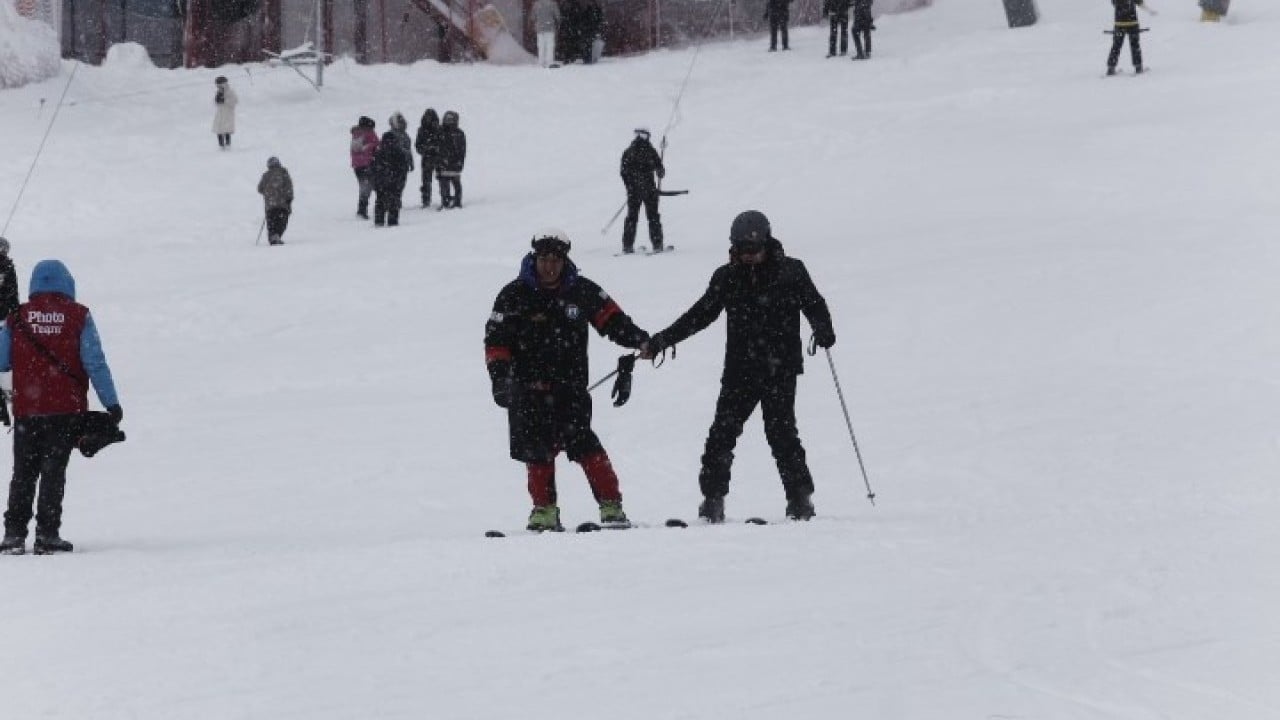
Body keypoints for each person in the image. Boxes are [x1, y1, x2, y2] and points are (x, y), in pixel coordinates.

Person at [641, 211, 835, 523]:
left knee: (781, 433)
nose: (750, 258)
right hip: (740, 370)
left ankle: (800, 499)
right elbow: (700, 314)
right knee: (722, 434)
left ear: (767, 243)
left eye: (755, 251)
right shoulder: (727, 278)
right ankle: (712, 499)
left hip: (780, 369)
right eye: (743, 251)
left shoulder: (791, 271)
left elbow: (814, 303)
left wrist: (823, 328)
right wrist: (662, 340)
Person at [484, 230, 652, 531]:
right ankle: (544, 511)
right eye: (544, 259)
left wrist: (639, 340)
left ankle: (611, 507)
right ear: (535, 259)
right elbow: (496, 341)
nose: (550, 266)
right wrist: (500, 379)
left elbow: (612, 320)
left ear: (565, 261)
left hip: (570, 389)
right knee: (537, 453)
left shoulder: (581, 290)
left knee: (586, 446)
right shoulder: (513, 295)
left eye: (556, 260)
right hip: (527, 391)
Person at [0, 260, 121, 555]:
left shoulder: (17, 317)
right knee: (53, 471)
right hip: (65, 411)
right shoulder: (78, 316)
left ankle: (14, 536)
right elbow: (94, 362)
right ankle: (47, 535)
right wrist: (111, 402)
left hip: (28, 409)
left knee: (23, 473)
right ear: (68, 284)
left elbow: (1, 360)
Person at [619, 127, 665, 254]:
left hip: (639, 192)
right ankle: (657, 244)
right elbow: (624, 172)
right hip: (646, 192)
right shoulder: (645, 151)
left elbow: (623, 172)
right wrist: (660, 171)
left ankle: (628, 246)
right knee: (651, 218)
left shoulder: (631, 151)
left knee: (634, 218)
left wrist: (630, 187)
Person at [370, 124, 412, 227]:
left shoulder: (379, 153)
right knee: (394, 202)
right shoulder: (399, 152)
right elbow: (403, 170)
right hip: (394, 182)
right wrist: (401, 183)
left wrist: (375, 183)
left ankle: (379, 221)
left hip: (382, 183)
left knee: (380, 201)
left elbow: (373, 169)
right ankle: (392, 221)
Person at [256, 156, 294, 246]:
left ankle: (273, 236)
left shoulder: (266, 175)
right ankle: (276, 236)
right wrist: (289, 198)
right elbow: (289, 187)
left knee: (271, 221)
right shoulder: (283, 173)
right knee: (282, 221)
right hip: (282, 204)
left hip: (270, 205)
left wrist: (269, 192)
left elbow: (260, 188)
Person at [350, 116, 379, 219]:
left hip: (357, 166)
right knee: (371, 187)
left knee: (364, 187)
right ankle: (363, 210)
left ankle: (362, 209)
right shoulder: (369, 134)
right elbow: (377, 146)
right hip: (367, 164)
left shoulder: (356, 134)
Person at [437, 110, 466, 209]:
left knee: (456, 184)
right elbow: (437, 147)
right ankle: (445, 201)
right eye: (447, 119)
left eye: (451, 119)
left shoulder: (459, 133)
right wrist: (438, 161)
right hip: (443, 163)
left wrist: (460, 162)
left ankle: (457, 202)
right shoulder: (440, 132)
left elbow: (462, 150)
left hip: (455, 162)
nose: (449, 121)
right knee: (444, 185)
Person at [1107, 0, 1145, 75]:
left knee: (1116, 46)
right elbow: (1139, 2)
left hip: (1119, 23)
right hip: (1132, 22)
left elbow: (1113, 2)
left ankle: (1111, 67)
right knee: (1135, 45)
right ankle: (1138, 67)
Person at [414, 109, 442, 208]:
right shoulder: (421, 130)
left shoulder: (439, 129)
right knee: (426, 181)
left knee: (442, 179)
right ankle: (426, 200)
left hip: (438, 158)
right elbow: (418, 146)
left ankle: (444, 198)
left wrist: (437, 148)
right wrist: (426, 149)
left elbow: (443, 143)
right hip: (427, 159)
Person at [531, 0, 560, 68]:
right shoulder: (552, 4)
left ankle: (541, 62)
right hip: (550, 27)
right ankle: (549, 62)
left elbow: (533, 16)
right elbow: (557, 16)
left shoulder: (536, 4)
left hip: (539, 28)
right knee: (550, 45)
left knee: (541, 46)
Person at [212, 76, 238, 149]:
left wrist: (225, 101)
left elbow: (235, 101)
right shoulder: (218, 92)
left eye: (219, 85)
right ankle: (221, 146)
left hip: (227, 114)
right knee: (219, 130)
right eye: (217, 85)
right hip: (220, 114)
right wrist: (217, 100)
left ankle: (228, 145)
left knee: (227, 130)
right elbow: (215, 103)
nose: (218, 87)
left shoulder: (230, 92)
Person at [0, 238, 18, 322]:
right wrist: (16, 310)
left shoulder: (8, 266)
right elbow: (13, 292)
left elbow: (13, 290)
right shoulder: (8, 266)